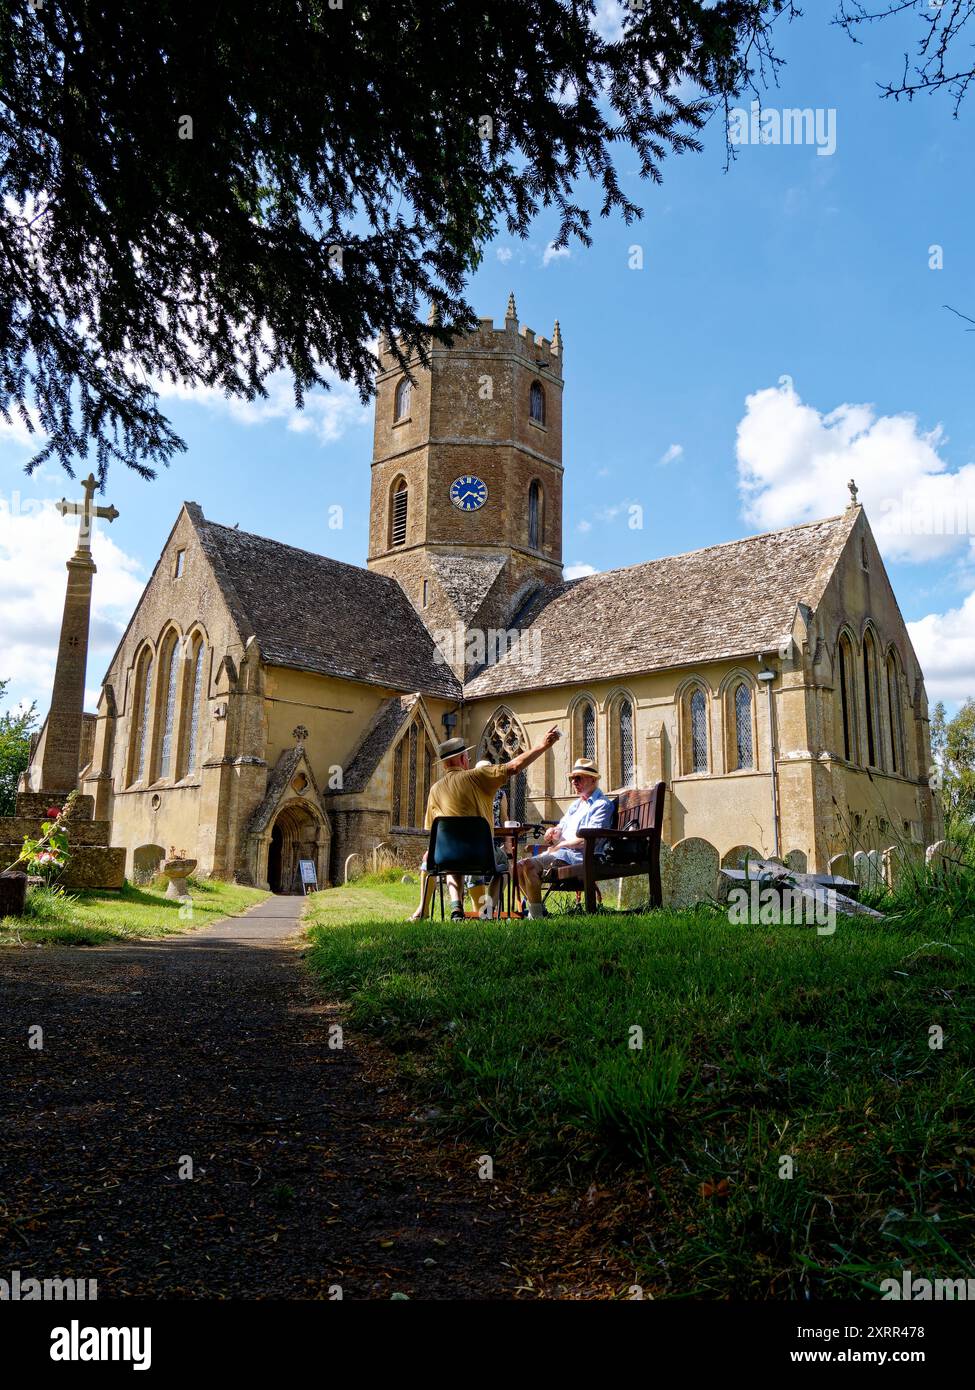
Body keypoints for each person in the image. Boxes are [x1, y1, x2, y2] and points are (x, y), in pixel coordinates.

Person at [411, 728, 560, 921]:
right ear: (463, 759)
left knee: (451, 860)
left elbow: (434, 832)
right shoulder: (477, 776)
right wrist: (542, 745)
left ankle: (453, 908)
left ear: (445, 763)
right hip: (481, 854)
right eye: (467, 757)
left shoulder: (434, 789)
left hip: (447, 857)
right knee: (504, 863)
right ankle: (487, 912)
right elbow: (514, 766)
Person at [516, 758, 614, 918]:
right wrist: (553, 831)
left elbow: (589, 839)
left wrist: (560, 846)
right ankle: (539, 911)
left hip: (582, 857)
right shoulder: (577, 804)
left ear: (593, 779)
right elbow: (561, 826)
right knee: (518, 867)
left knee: (529, 865)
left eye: (578, 778)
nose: (574, 782)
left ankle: (536, 917)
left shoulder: (601, 805)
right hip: (563, 853)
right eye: (572, 778)